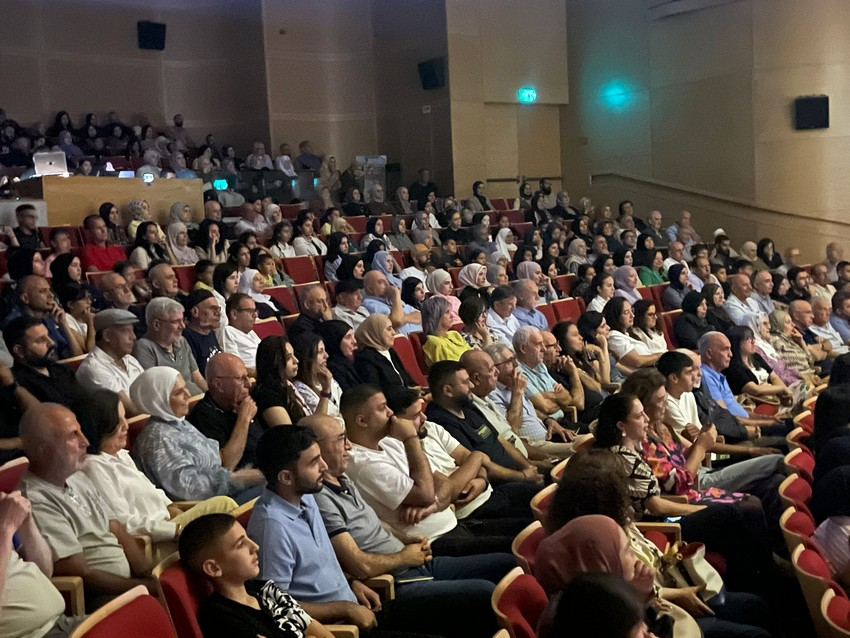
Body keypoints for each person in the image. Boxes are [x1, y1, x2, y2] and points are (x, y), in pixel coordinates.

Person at [305, 413, 512, 638]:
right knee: (484, 594)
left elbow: (376, 522)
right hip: (396, 584)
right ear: (315, 449)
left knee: (508, 564)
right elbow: (360, 565)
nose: (348, 446)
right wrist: (405, 556)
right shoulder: (320, 497)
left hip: (417, 561)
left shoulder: (342, 479)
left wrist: (406, 539)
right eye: (340, 439)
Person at [19, 403, 156, 607]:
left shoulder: (76, 476)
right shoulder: (35, 499)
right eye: (73, 436)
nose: (85, 442)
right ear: (43, 450)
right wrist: (145, 587)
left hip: (129, 584)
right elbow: (81, 572)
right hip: (100, 597)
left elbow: (115, 527)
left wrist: (150, 575)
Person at [79, 389, 236, 548]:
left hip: (169, 521)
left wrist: (172, 507)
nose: (126, 426)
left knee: (224, 506)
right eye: (117, 422)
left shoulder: (121, 454)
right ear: (101, 426)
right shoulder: (94, 466)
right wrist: (175, 529)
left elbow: (153, 492)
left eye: (125, 418)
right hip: (155, 539)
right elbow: (124, 523)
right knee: (224, 506)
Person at [178, 513, 334, 638]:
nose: (255, 546)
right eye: (241, 544)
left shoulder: (265, 589)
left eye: (248, 538)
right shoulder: (219, 617)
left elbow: (316, 629)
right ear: (213, 568)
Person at [130, 367, 264, 502]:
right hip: (215, 504)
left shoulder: (178, 423)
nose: (188, 394)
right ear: (159, 400)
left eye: (185, 388)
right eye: (178, 393)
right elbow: (192, 490)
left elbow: (219, 461)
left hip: (225, 491)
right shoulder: (158, 439)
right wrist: (240, 478)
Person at [0, 488, 87, 638]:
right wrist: (7, 528)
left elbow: (45, 570)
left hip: (62, 623)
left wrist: (26, 521)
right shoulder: (4, 529)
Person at [76, 308, 145, 416]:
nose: (134, 337)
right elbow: (131, 410)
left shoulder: (130, 359)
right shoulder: (93, 369)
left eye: (132, 331)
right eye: (126, 331)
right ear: (107, 336)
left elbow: (152, 393)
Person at [132, 297, 207, 395]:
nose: (183, 326)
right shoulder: (144, 347)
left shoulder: (182, 341)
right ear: (157, 324)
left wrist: (212, 398)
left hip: (198, 399)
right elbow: (155, 390)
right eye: (176, 321)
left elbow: (197, 378)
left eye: (182, 320)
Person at [353, 314, 417, 393]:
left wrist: (419, 390)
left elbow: (406, 378)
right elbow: (379, 391)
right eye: (389, 329)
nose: (394, 333)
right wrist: (413, 395)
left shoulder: (390, 351)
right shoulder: (365, 359)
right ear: (375, 332)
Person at [292, 334, 343, 418]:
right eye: (320, 352)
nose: (326, 355)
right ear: (307, 357)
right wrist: (326, 391)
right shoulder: (300, 388)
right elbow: (319, 420)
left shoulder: (328, 378)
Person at [362, 271, 421, 335]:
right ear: (370, 289)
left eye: (386, 280)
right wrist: (396, 294)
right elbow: (396, 322)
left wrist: (403, 318)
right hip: (400, 339)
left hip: (418, 336)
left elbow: (420, 316)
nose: (387, 284)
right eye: (381, 282)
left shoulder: (392, 300)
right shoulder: (369, 303)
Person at [182, 290, 223, 377]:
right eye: (212, 309)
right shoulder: (186, 337)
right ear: (195, 311)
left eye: (218, 309)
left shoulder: (211, 333)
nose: (218, 313)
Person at [223, 293, 261, 372]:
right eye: (250, 311)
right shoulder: (227, 332)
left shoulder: (251, 333)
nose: (255, 316)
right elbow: (234, 366)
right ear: (234, 314)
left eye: (255, 311)